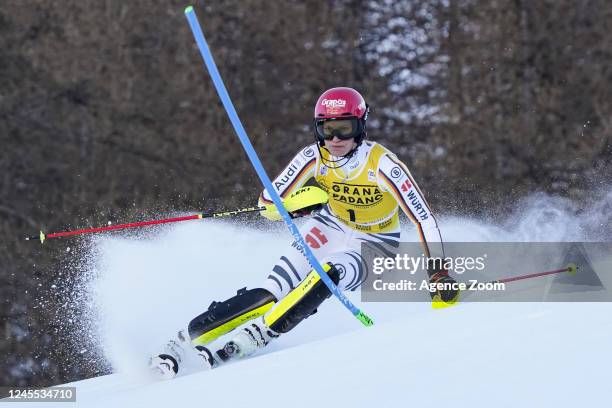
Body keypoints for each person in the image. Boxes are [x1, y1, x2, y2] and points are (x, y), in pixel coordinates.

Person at [150, 87, 459, 379]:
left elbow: (423, 219)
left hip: (375, 243)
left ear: (360, 127)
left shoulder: (383, 165)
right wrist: (296, 204)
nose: (335, 139)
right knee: (269, 293)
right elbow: (267, 204)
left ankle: (258, 335)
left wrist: (438, 274)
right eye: (327, 129)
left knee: (328, 274)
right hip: (329, 227)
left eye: (345, 128)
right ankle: (181, 341)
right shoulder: (312, 157)